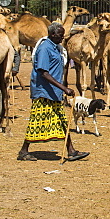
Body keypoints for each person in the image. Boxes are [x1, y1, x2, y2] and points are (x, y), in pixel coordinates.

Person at [18, 22, 88, 162]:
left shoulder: (56, 48)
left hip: (54, 92)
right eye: (60, 35)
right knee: (36, 121)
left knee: (62, 121)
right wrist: (64, 88)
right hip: (44, 91)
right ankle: (24, 150)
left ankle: (71, 151)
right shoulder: (44, 48)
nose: (63, 38)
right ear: (53, 34)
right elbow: (43, 72)